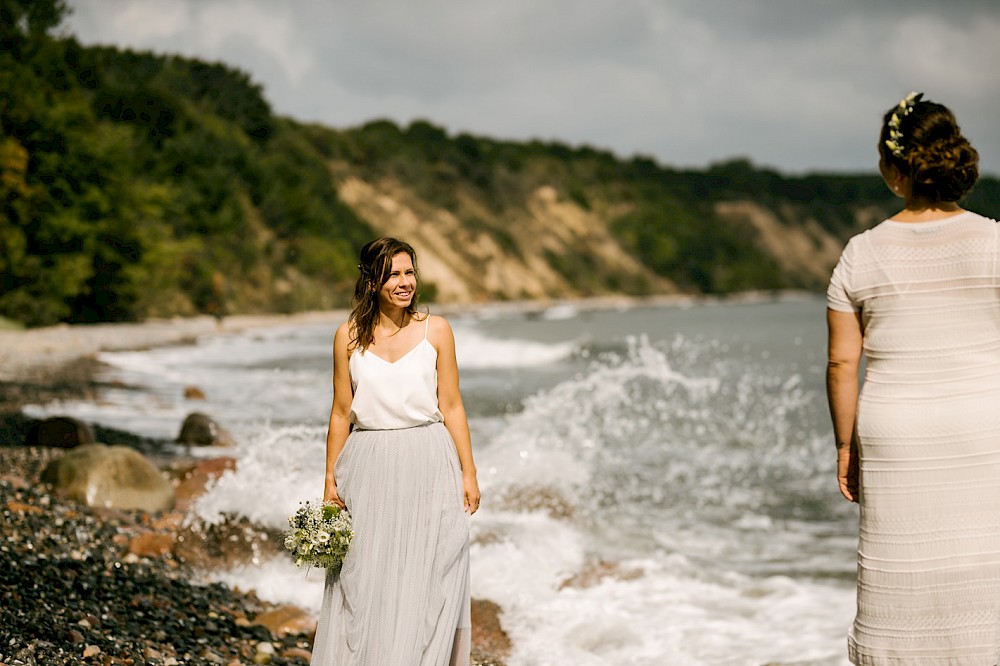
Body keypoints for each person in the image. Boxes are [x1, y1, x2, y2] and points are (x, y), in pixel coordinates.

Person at [826, 92, 1000, 664]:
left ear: (893, 167)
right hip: (984, 422)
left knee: (902, 580)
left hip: (894, 431)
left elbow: (842, 364)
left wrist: (845, 444)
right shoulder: (996, 242)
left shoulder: (860, 253)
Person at [311, 237, 480, 666]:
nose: (404, 283)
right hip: (367, 461)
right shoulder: (347, 337)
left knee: (431, 568)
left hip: (428, 457)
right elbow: (340, 412)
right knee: (365, 576)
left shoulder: (436, 329)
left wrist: (469, 472)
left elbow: (452, 404)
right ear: (371, 282)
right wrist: (330, 479)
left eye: (409, 272)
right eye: (392, 274)